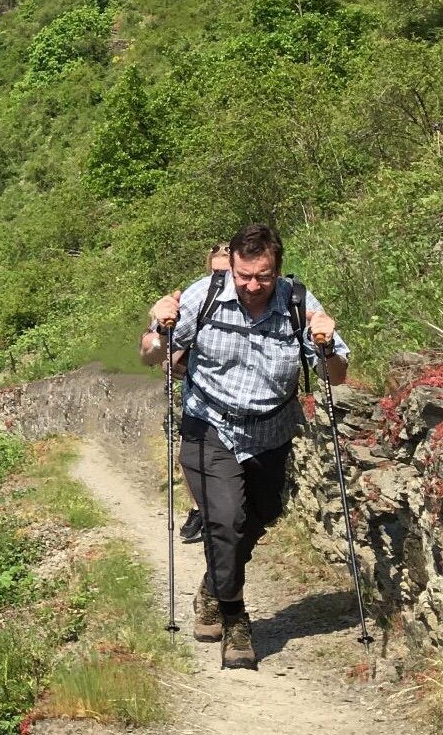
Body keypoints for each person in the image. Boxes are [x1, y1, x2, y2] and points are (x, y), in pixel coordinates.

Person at [146, 223, 349, 671]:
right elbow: (150, 356)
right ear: (232, 267)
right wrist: (157, 327)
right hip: (210, 425)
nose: (253, 286)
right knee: (225, 521)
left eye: (263, 276)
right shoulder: (204, 295)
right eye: (244, 276)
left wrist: (328, 341)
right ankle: (236, 621)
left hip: (271, 431)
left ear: (277, 268)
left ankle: (213, 585)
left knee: (259, 517)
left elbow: (336, 376)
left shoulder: (297, 302)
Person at [139, 242, 233, 543]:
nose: (222, 277)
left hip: (237, 398)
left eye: (228, 271)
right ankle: (199, 509)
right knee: (188, 455)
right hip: (199, 395)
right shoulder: (200, 298)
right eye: (217, 271)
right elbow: (163, 350)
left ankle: (221, 516)